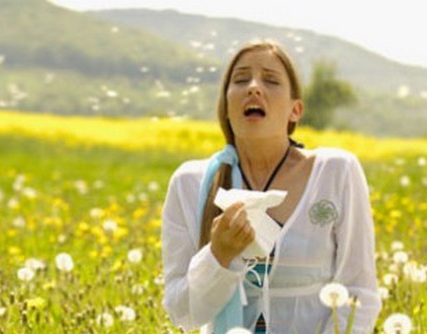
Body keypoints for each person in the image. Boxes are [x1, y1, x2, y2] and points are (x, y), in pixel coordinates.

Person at [161, 40, 381, 333]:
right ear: (226, 107)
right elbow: (183, 314)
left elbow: (359, 292)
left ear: (295, 110)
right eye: (240, 80)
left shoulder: (336, 172)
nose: (253, 87)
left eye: (271, 80)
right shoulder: (189, 183)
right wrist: (218, 256)